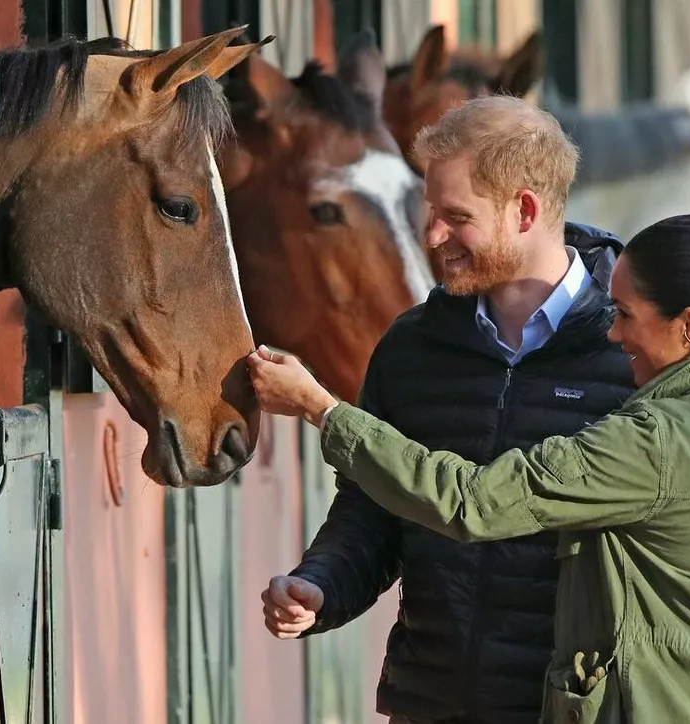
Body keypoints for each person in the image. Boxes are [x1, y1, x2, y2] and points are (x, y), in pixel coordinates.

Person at [248, 213, 690, 724]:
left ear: (689, 327)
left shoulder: (659, 440)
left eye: (626, 315)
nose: (613, 333)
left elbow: (472, 502)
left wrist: (321, 409)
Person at [258, 95, 635, 724]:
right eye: (428, 212)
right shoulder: (411, 345)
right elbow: (370, 511)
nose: (432, 237)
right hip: (429, 704)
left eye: (454, 216)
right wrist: (319, 586)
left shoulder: (629, 353)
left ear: (526, 210)